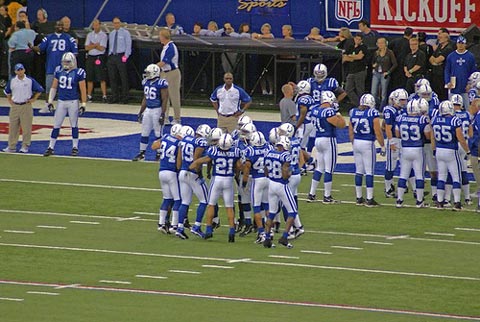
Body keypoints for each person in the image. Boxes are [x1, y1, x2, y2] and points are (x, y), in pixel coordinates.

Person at [189, 133, 241, 243]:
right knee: (229, 207)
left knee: (211, 204)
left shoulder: (214, 150)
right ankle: (231, 232)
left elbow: (205, 160)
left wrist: (194, 163)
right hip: (229, 180)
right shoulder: (236, 151)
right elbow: (239, 166)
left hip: (217, 179)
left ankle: (208, 229)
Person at [43, 52, 87, 157]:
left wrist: (83, 104)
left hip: (73, 101)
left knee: (74, 125)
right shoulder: (59, 71)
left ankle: (75, 147)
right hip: (61, 101)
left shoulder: (79, 72)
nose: (66, 64)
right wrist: (50, 101)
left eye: (68, 62)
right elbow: (54, 87)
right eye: (64, 62)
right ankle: (51, 147)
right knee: (56, 125)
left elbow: (82, 89)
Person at [31, 20, 78, 113]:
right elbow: (40, 48)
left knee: (66, 87)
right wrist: (32, 47)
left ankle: (68, 107)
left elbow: (75, 53)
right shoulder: (48, 37)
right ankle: (48, 105)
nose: (60, 26)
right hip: (51, 66)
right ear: (54, 26)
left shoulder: (68, 37)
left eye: (61, 25)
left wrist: (70, 64)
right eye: (58, 25)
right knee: (49, 87)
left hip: (65, 67)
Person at [307, 91, 346, 202]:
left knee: (320, 168)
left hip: (318, 139)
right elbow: (341, 124)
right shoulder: (329, 111)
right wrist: (338, 114)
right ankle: (327, 196)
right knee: (329, 169)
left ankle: (311, 194)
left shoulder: (315, 109)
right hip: (328, 139)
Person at [431, 100, 470, 210]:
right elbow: (460, 138)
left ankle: (440, 202)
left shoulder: (435, 119)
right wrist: (467, 151)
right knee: (456, 176)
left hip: (439, 150)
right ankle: (457, 203)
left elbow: (432, 137)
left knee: (442, 176)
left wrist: (434, 150)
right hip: (451, 150)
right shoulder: (454, 120)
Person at [349, 93, 385, 207]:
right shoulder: (372, 113)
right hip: (367, 143)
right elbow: (377, 130)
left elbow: (350, 130)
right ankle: (369, 198)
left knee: (359, 170)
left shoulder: (353, 112)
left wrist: (353, 142)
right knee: (369, 171)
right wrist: (382, 145)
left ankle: (359, 198)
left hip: (356, 142)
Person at [176, 125, 211, 239]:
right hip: (193, 173)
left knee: (185, 201)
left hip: (183, 172)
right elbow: (196, 160)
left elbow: (179, 158)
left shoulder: (185, 139)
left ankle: (180, 228)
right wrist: (199, 173)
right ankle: (196, 226)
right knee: (205, 200)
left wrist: (180, 169)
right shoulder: (201, 142)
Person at [395, 99, 431, 207]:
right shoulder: (422, 119)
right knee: (419, 175)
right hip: (417, 149)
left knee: (403, 175)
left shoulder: (400, 118)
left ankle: (399, 200)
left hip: (405, 149)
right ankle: (419, 201)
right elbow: (428, 136)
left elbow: (397, 134)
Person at [262, 135, 296, 249]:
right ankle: (284, 237)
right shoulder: (285, 155)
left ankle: (267, 238)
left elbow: (265, 171)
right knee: (292, 212)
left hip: (271, 183)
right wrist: (290, 174)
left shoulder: (268, 153)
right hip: (281, 184)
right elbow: (285, 173)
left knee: (271, 212)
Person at [2, 63, 43, 153]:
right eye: (18, 70)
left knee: (26, 127)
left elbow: (39, 89)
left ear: (24, 70)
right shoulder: (13, 81)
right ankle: (11, 146)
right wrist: (10, 100)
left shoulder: (29, 80)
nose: (20, 71)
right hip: (15, 106)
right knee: (13, 127)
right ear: (15, 71)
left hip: (25, 105)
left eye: (21, 69)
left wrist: (33, 99)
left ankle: (25, 146)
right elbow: (7, 91)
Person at [132, 64, 168, 162]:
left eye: (148, 72)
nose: (147, 74)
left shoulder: (161, 83)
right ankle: (142, 153)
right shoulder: (146, 82)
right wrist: (140, 112)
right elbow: (145, 98)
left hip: (157, 109)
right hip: (148, 110)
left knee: (158, 133)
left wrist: (163, 113)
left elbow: (165, 99)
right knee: (144, 132)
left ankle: (159, 153)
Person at [151, 125, 182, 235]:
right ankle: (174, 225)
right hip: (172, 172)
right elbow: (179, 160)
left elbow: (153, 146)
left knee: (167, 198)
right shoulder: (179, 143)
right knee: (178, 199)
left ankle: (161, 224)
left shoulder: (165, 137)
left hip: (161, 171)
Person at [383, 88, 408, 197]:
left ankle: (404, 185)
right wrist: (391, 141)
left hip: (403, 140)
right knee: (391, 166)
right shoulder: (389, 110)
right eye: (402, 100)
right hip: (394, 140)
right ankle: (388, 188)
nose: (404, 102)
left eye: (405, 100)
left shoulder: (404, 110)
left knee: (405, 164)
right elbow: (387, 127)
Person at [444, 36, 477, 109]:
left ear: (465, 44)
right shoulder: (451, 56)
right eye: (459, 43)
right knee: (452, 107)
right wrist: (447, 82)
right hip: (454, 87)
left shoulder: (470, 56)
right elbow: (447, 70)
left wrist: (470, 84)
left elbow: (474, 72)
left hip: (466, 87)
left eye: (462, 43)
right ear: (456, 44)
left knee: (468, 107)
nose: (460, 45)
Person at [157, 28, 181, 125]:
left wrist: (153, 67)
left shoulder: (171, 47)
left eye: (160, 36)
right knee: (164, 96)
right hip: (165, 73)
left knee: (174, 96)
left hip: (172, 73)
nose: (159, 38)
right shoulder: (165, 47)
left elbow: (164, 62)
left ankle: (177, 118)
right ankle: (165, 117)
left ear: (163, 37)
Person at [107, 17, 131, 104]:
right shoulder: (112, 33)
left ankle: (125, 96)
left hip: (121, 56)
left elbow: (128, 45)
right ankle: (114, 96)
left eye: (117, 23)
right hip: (112, 56)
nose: (116, 24)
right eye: (114, 23)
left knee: (123, 77)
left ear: (120, 23)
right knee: (112, 77)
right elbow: (110, 45)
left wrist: (125, 56)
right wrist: (109, 55)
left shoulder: (125, 33)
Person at [85, 19, 108, 103]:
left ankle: (104, 96)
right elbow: (86, 47)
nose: (95, 26)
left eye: (97, 24)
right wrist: (96, 45)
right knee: (90, 77)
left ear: (100, 25)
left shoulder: (103, 35)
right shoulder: (89, 35)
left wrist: (92, 45)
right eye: (94, 25)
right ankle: (89, 95)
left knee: (101, 77)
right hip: (90, 57)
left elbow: (102, 48)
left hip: (99, 57)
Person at [31, 8, 55, 88]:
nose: (38, 16)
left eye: (40, 14)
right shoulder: (35, 25)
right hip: (38, 51)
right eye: (38, 15)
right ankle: (39, 86)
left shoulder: (51, 25)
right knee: (39, 69)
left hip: (49, 51)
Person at [371, 37, 397, 108]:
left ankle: (381, 108)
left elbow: (395, 64)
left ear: (385, 44)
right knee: (373, 92)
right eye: (379, 43)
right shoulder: (376, 52)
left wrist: (388, 72)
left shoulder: (389, 52)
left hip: (384, 74)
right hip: (376, 73)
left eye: (382, 43)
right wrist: (373, 65)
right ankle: (373, 107)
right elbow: (373, 62)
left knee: (383, 93)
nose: (380, 44)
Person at [343, 33, 368, 106]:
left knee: (360, 90)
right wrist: (353, 57)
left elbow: (360, 57)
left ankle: (363, 105)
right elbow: (344, 58)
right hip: (351, 71)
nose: (357, 40)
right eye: (356, 39)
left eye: (359, 39)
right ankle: (358, 104)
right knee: (348, 89)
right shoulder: (350, 47)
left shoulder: (363, 47)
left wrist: (350, 57)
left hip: (360, 71)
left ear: (361, 40)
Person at [429, 31, 454, 101]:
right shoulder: (439, 46)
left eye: (441, 37)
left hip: (443, 74)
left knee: (443, 93)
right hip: (435, 74)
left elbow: (438, 60)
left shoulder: (449, 48)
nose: (439, 39)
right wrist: (435, 62)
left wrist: (435, 61)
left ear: (446, 39)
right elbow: (431, 59)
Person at [252, 23, 274, 95]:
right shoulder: (259, 37)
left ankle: (271, 90)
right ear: (262, 30)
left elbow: (269, 37)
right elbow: (253, 36)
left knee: (269, 75)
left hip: (269, 56)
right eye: (265, 30)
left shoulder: (271, 35)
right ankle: (263, 90)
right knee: (262, 74)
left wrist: (258, 36)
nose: (266, 31)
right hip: (261, 56)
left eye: (267, 30)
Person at [388, 27, 413, 91]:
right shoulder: (410, 44)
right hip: (405, 67)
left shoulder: (395, 41)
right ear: (411, 35)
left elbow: (388, 49)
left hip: (394, 67)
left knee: (394, 85)